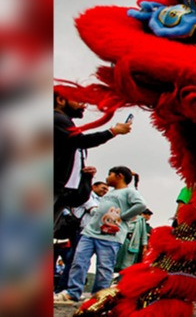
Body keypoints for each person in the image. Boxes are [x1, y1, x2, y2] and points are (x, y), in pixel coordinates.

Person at [54, 166, 147, 304]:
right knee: (79, 262)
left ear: (119, 176)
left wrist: (123, 216)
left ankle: (98, 296)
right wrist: (94, 212)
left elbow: (141, 205)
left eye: (110, 174)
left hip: (110, 236)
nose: (107, 178)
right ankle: (72, 292)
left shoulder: (129, 191)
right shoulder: (109, 193)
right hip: (90, 232)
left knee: (104, 267)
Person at [54, 92, 131, 220]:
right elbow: (83, 141)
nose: (83, 106)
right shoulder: (58, 119)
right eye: (78, 100)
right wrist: (113, 131)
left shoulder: (64, 123)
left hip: (63, 189)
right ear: (61, 100)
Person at [54, 181, 109, 293]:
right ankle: (64, 287)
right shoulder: (87, 197)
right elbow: (95, 211)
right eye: (103, 188)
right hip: (81, 230)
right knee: (76, 260)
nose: (105, 191)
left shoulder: (102, 200)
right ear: (94, 187)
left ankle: (67, 287)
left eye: (107, 189)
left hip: (91, 231)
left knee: (79, 260)